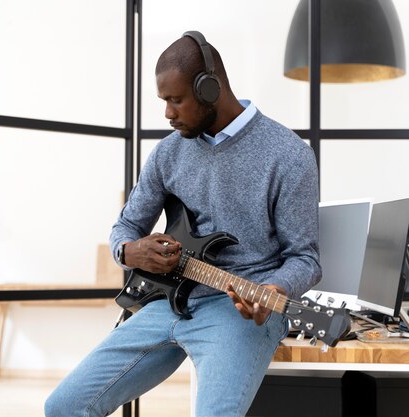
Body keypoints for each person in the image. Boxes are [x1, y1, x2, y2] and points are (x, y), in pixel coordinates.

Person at [45, 30, 321, 417]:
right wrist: (130, 251)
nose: (168, 113)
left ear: (210, 90)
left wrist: (273, 289)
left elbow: (305, 258)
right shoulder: (168, 153)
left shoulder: (288, 156)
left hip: (237, 311)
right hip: (166, 302)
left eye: (176, 100)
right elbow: (124, 228)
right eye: (164, 101)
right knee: (63, 408)